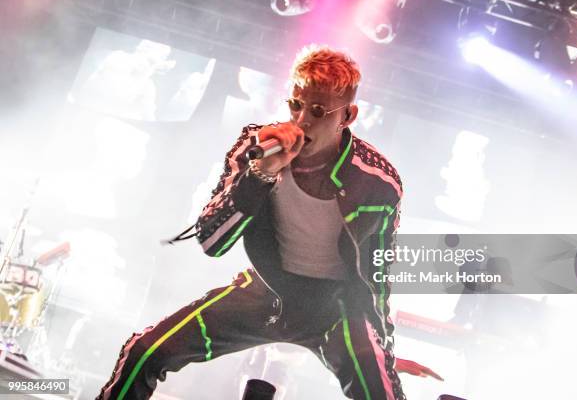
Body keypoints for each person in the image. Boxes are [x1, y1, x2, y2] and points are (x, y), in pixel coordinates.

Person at [98, 45, 436, 400]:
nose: (302, 119)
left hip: (335, 310)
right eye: (296, 105)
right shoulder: (256, 146)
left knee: (382, 393)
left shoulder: (378, 182)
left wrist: (383, 351)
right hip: (264, 292)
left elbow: (378, 275)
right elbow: (214, 244)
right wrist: (261, 174)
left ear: (348, 116)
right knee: (144, 352)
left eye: (318, 111)